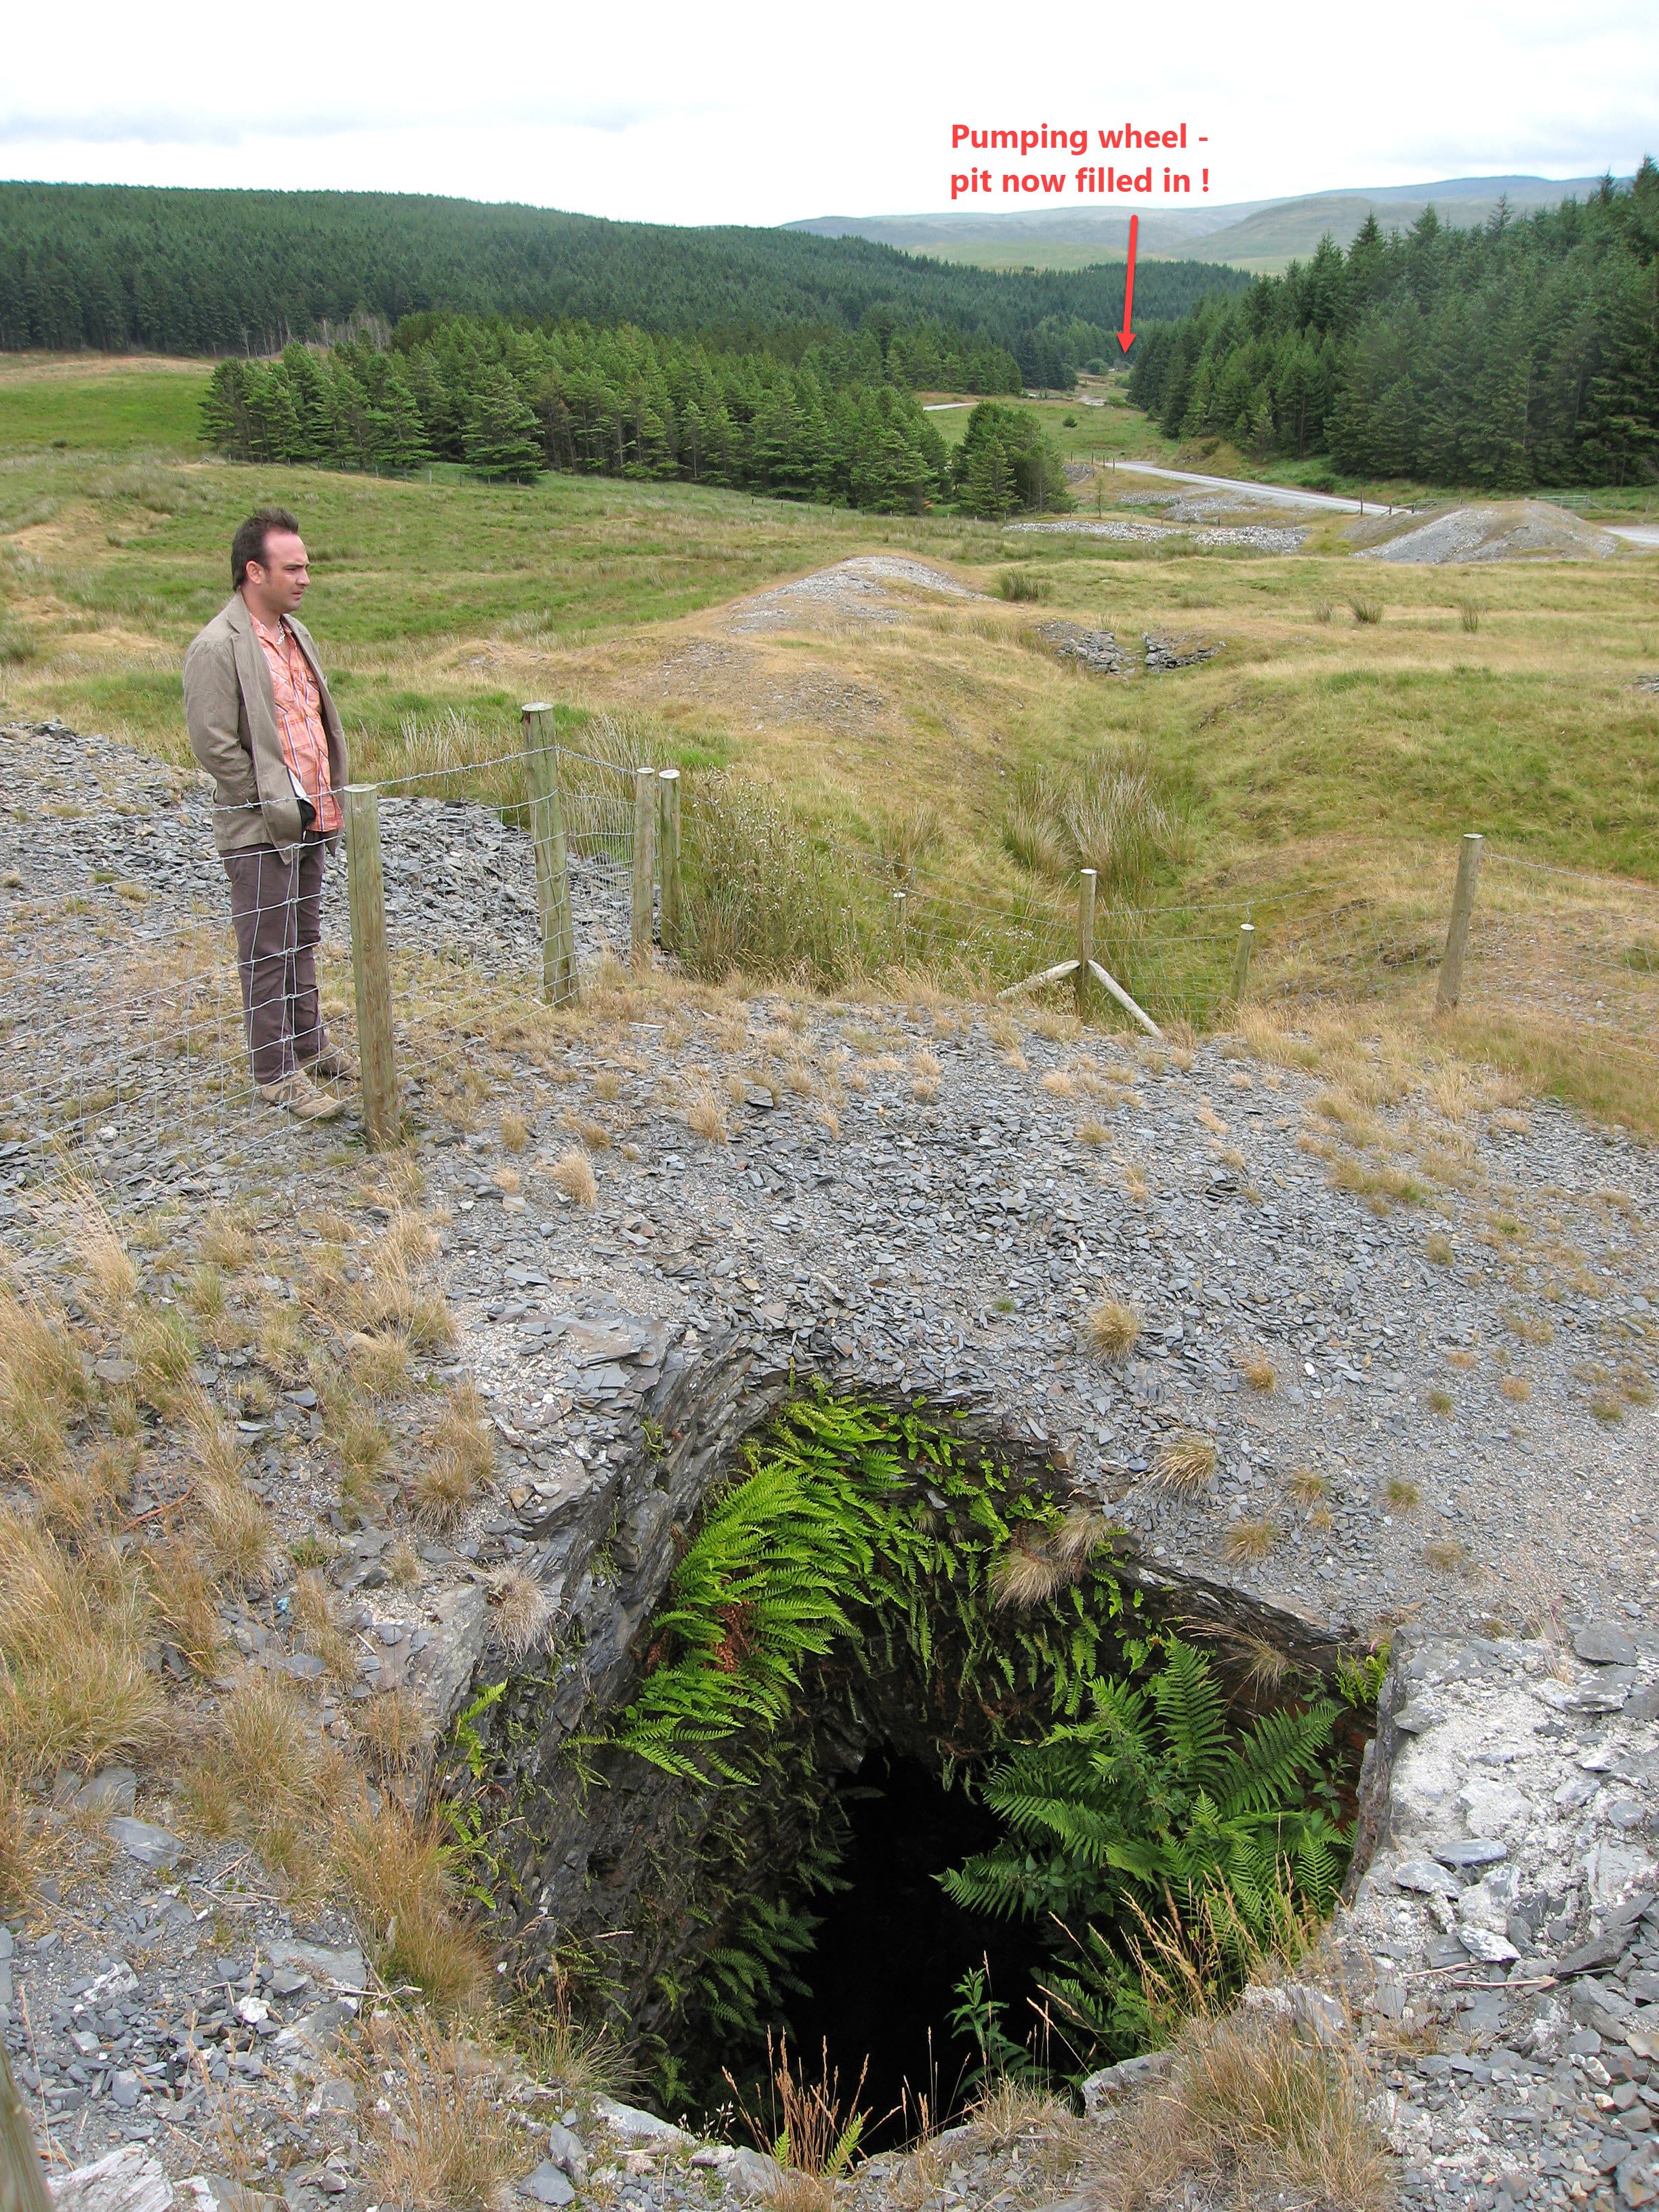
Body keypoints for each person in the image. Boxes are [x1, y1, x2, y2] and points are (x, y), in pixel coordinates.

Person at [183, 507, 356, 1122]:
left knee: (303, 938)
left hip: (314, 818)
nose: (306, 578)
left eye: (307, 566)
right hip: (260, 828)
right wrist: (270, 800)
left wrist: (317, 799)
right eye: (294, 567)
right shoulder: (216, 646)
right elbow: (214, 744)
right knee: (266, 948)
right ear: (254, 571)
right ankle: (274, 1072)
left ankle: (310, 1046)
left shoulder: (295, 635)